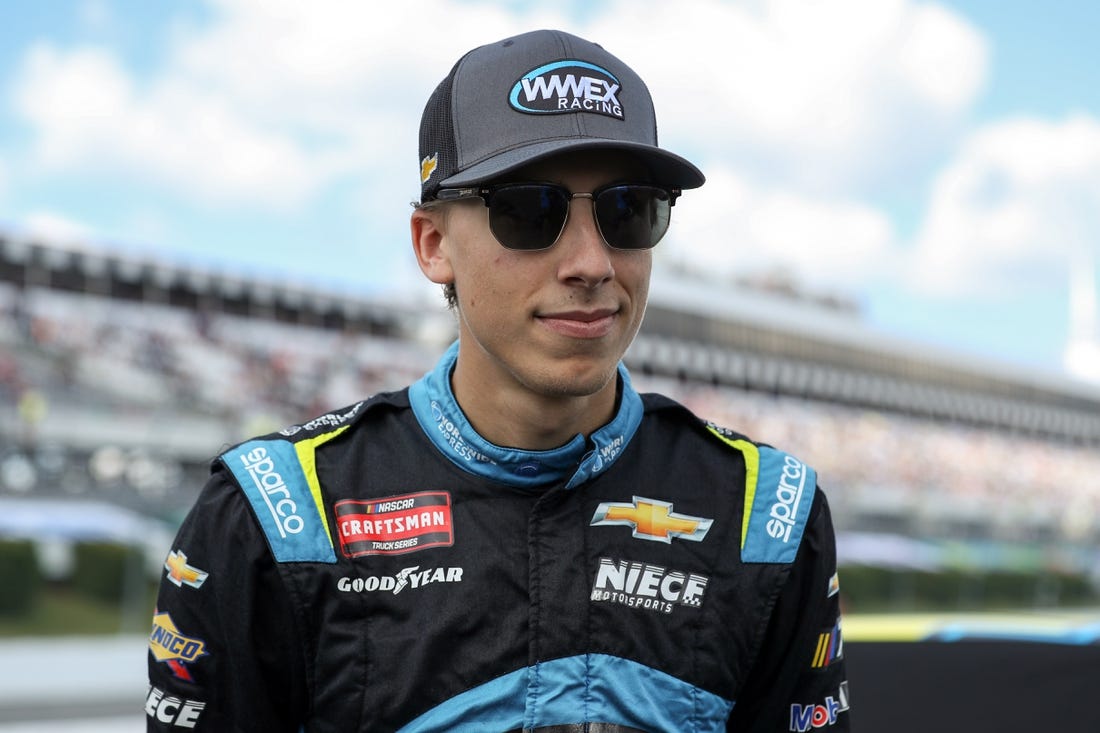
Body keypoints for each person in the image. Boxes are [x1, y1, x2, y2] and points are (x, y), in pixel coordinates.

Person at [147, 29, 850, 733]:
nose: (591, 262)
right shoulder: (274, 514)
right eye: (528, 210)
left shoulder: (769, 513)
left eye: (628, 209)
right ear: (433, 244)